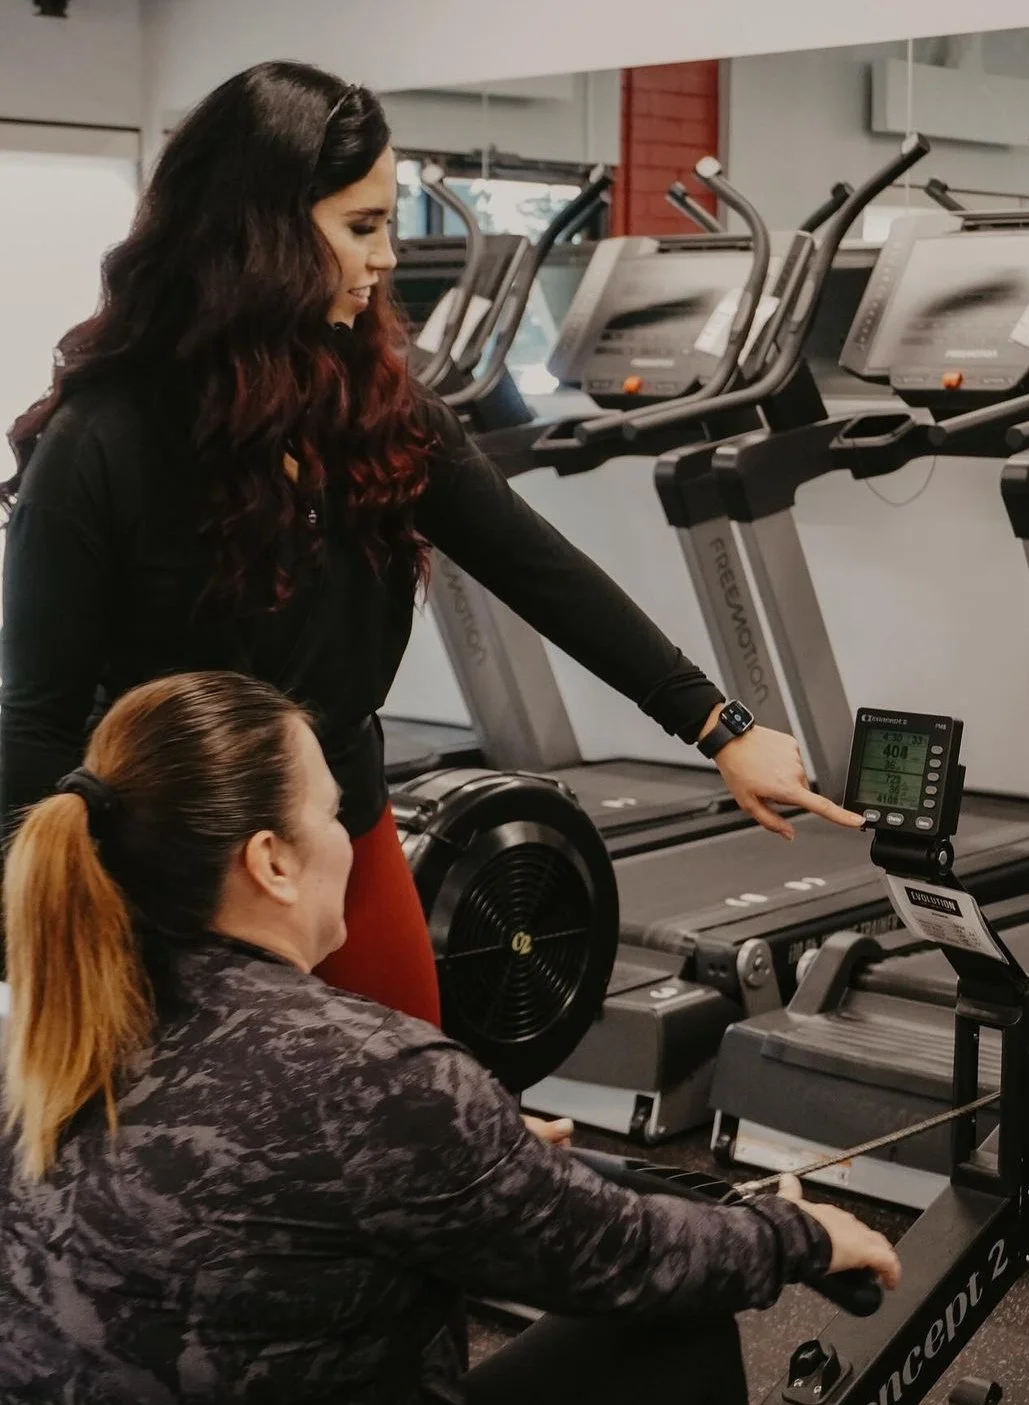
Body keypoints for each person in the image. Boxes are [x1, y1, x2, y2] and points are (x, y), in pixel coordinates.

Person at [0, 60, 862, 1027]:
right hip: (179, 857)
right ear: (263, 233)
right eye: (360, 228)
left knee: (409, 1084)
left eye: (387, 227)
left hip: (338, 825)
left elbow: (536, 568)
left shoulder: (371, 404)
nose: (385, 261)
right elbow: (36, 720)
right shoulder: (100, 441)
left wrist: (719, 728)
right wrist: (38, 947)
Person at [0, 669, 900, 1405]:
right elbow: (623, 1256)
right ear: (272, 861)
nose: (349, 837)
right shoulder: (378, 1076)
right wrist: (801, 1236)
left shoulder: (60, 1033)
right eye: (332, 810)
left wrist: (475, 1163)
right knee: (680, 1315)